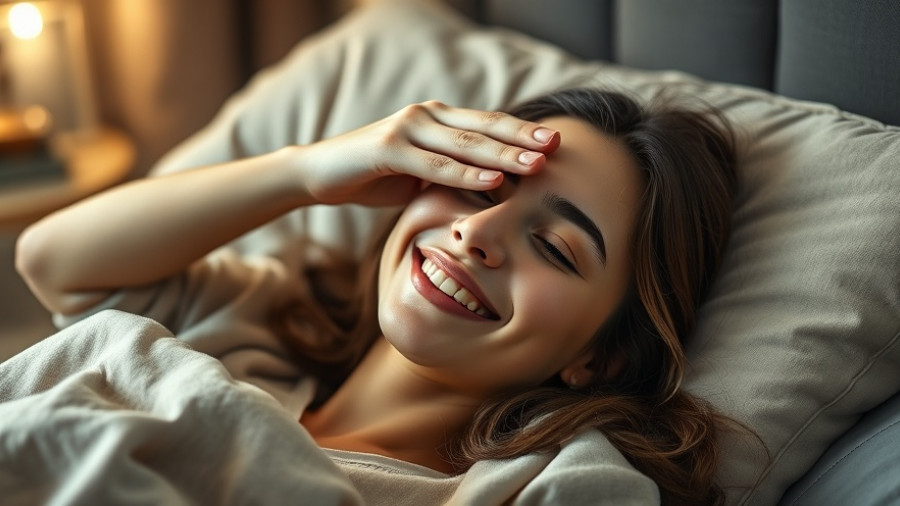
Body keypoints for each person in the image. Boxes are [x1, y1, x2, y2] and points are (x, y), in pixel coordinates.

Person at [17, 88, 738, 505]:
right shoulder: (255, 323)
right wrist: (307, 170)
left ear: (603, 356)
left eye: (555, 248)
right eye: (480, 184)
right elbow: (52, 260)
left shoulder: (536, 486)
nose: (475, 232)